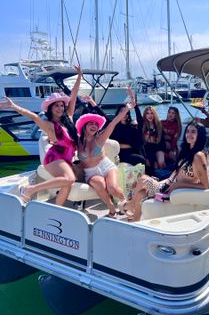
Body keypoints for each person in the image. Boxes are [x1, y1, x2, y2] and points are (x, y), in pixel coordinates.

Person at [0, 66, 83, 205]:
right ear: (50, 108)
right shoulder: (50, 125)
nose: (60, 108)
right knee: (69, 179)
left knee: (67, 184)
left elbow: (73, 95)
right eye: (56, 106)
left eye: (61, 105)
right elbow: (33, 117)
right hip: (54, 158)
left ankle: (58, 209)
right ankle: (30, 189)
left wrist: (79, 76)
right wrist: (14, 107)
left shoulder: (68, 118)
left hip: (66, 159)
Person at [119, 122, 209, 222]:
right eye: (187, 131)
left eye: (193, 132)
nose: (189, 134)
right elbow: (177, 171)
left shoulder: (198, 156)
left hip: (174, 190)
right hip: (169, 185)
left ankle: (129, 205)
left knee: (143, 179)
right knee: (141, 194)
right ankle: (135, 222)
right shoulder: (188, 151)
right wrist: (168, 181)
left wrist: (179, 185)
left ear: (199, 135)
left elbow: (204, 185)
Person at [75, 104, 132, 218]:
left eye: (96, 124)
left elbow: (113, 122)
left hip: (107, 166)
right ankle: (111, 208)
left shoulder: (100, 138)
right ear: (85, 125)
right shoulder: (77, 141)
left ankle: (125, 203)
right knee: (100, 184)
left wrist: (127, 108)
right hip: (90, 172)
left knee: (113, 188)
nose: (94, 126)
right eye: (91, 123)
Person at [142, 106, 166, 174]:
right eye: (147, 113)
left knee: (161, 163)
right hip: (147, 149)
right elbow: (142, 144)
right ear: (145, 115)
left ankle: (162, 176)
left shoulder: (159, 125)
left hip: (157, 148)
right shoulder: (142, 125)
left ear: (154, 114)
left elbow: (162, 142)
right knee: (153, 164)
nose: (150, 115)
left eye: (152, 113)